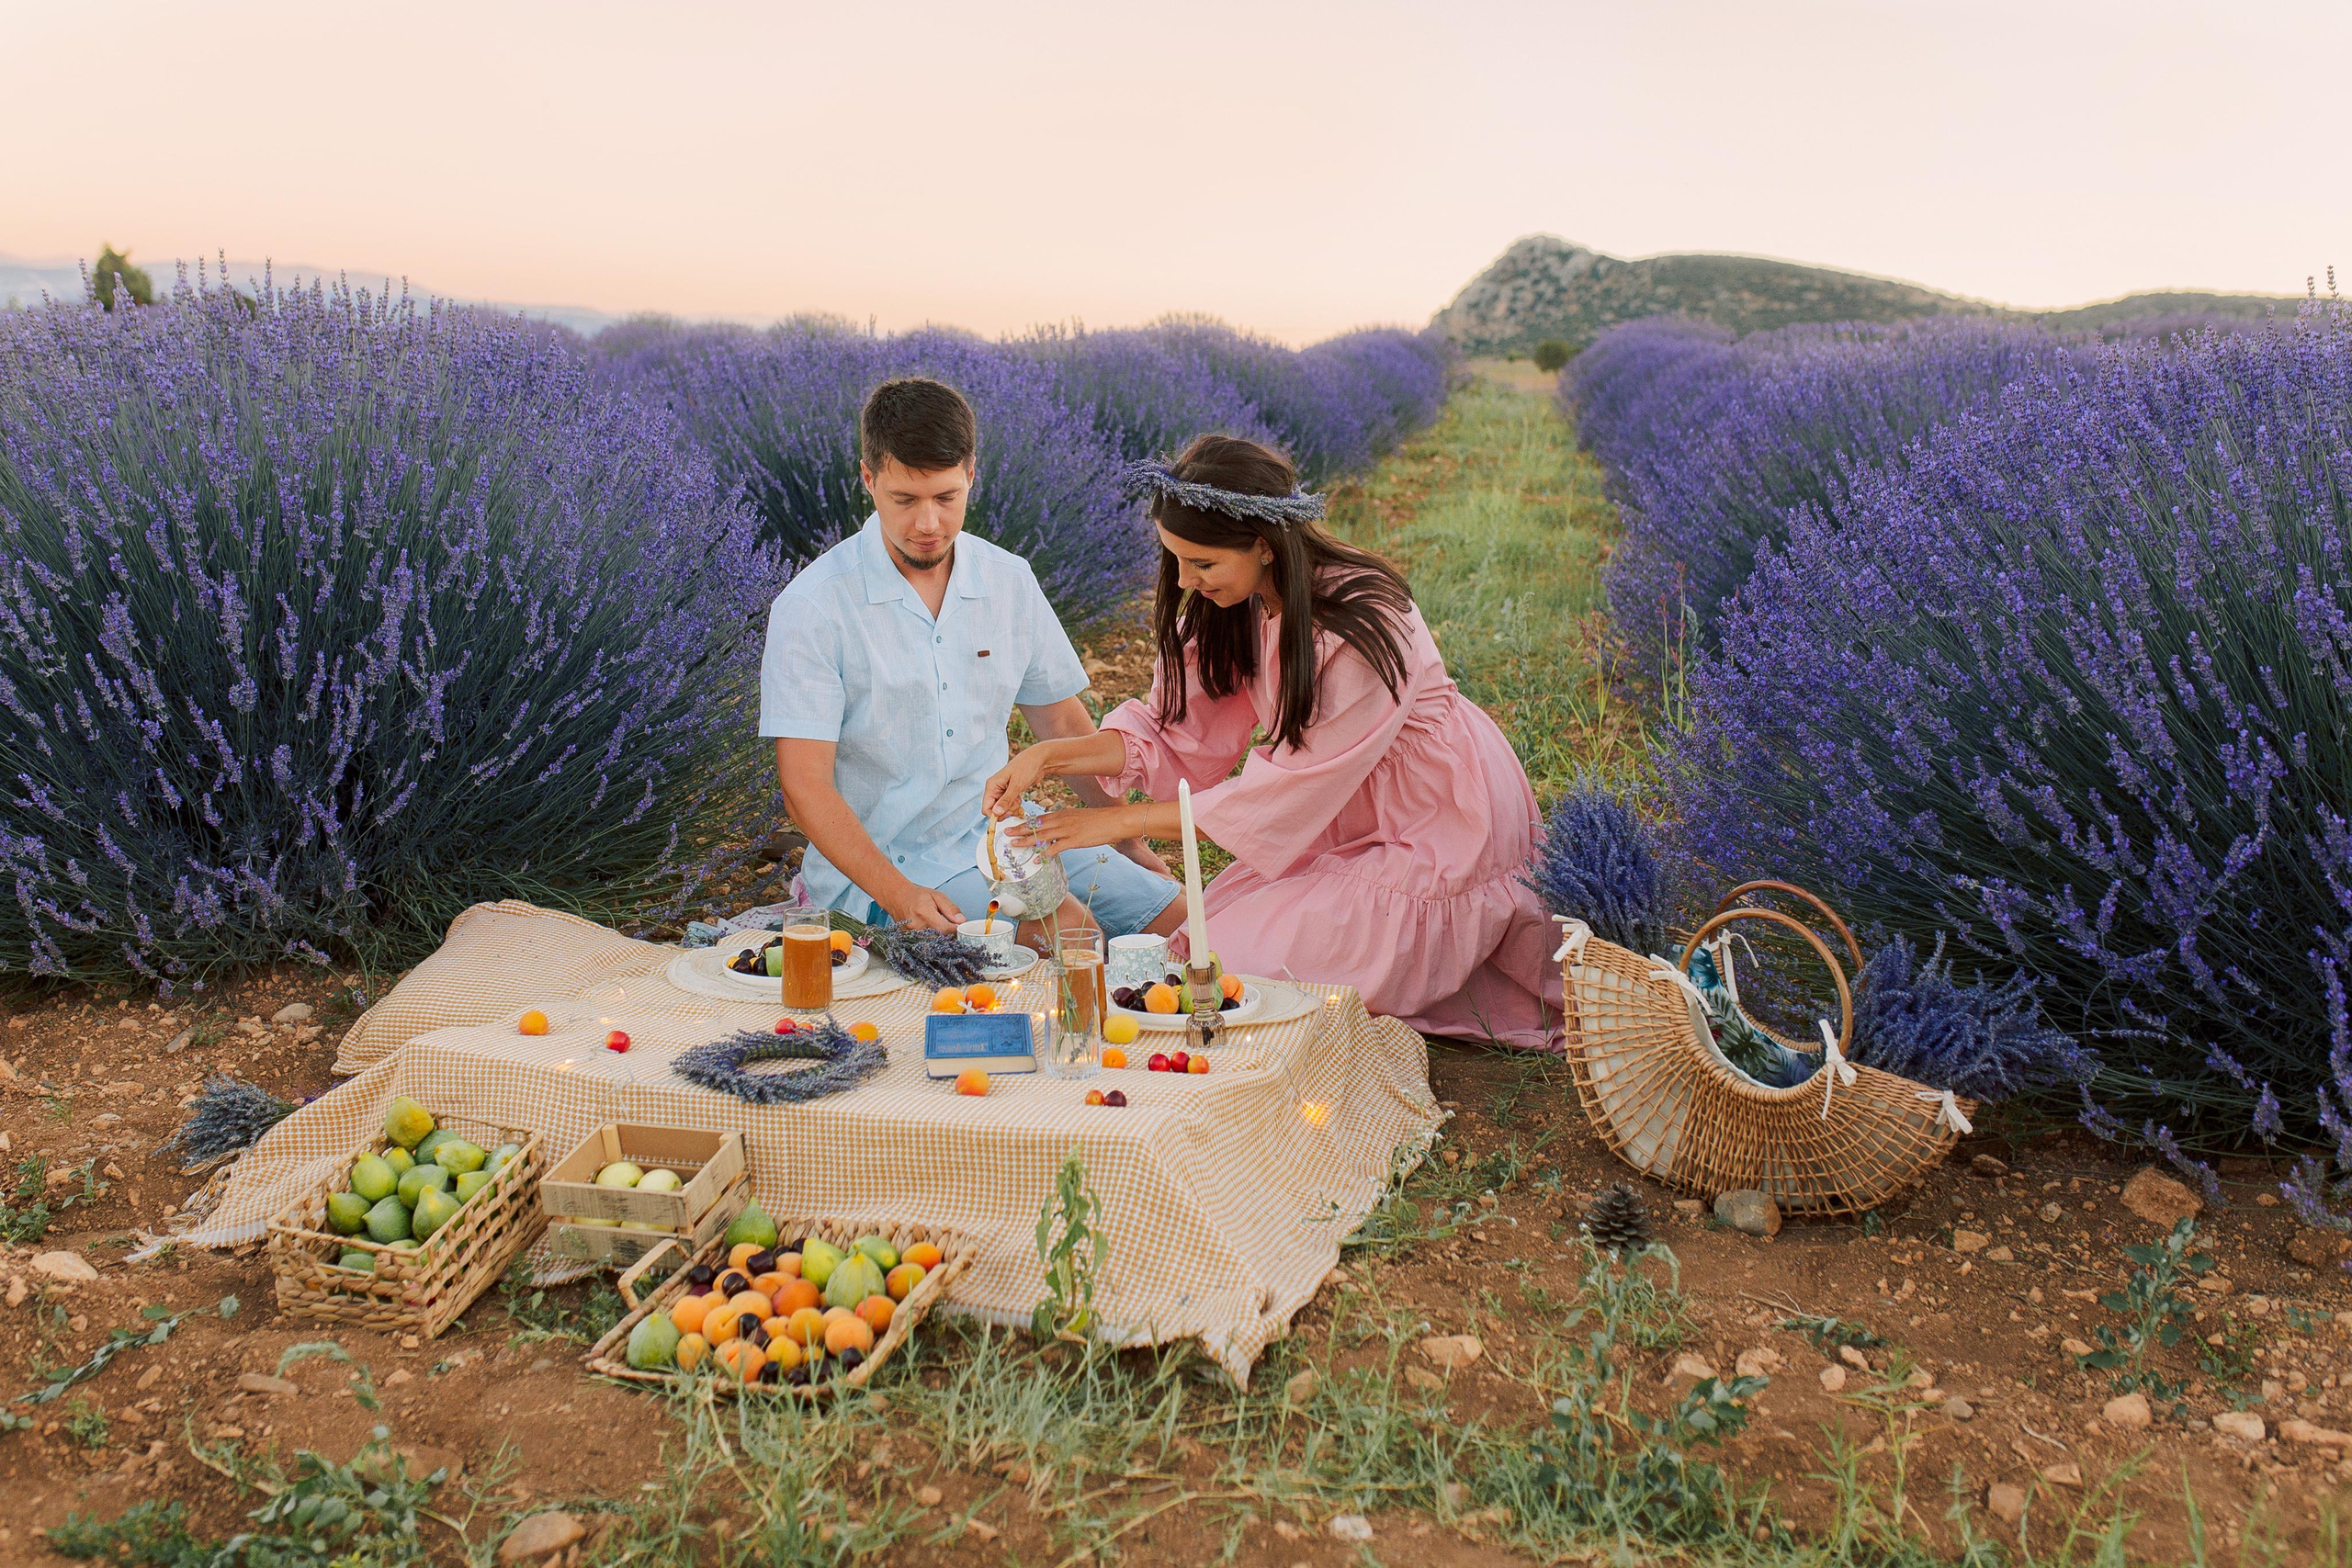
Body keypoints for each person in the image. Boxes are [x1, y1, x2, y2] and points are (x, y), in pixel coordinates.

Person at [984, 434, 1563, 1047]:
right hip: (1339, 817)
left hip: (1438, 829)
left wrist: (1112, 824)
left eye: (1202, 563)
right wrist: (1048, 755)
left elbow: (1284, 795)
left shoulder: (1362, 622)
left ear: (1263, 545)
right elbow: (1172, 731)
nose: (1184, 580)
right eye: (1176, 559)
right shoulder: (1239, 600)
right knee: (1205, 953)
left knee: (1237, 972)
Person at [759, 377, 1180, 943]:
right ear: (868, 479)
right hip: (888, 866)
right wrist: (900, 896)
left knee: (1180, 918)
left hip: (1009, 837)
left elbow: (1061, 722)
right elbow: (802, 788)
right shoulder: (812, 608)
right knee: (1074, 936)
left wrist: (1124, 842)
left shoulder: (1009, 580)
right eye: (904, 500)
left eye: (946, 497)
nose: (927, 523)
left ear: (971, 476)